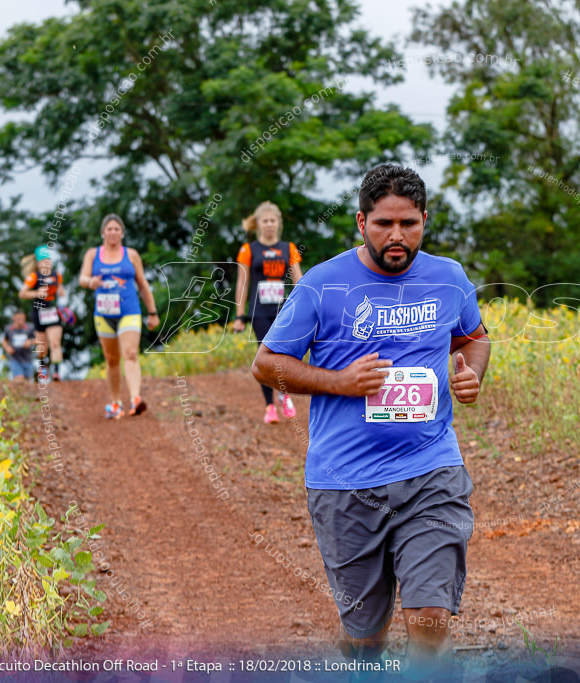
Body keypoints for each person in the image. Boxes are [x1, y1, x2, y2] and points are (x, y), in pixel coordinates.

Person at [251, 164, 491, 676]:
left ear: (425, 220)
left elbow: (475, 336)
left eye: (409, 223)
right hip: (344, 484)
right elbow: (267, 363)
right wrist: (340, 382)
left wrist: (471, 374)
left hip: (432, 471)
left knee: (429, 619)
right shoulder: (322, 284)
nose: (397, 235)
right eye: (384, 223)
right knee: (365, 640)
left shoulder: (449, 278)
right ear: (362, 222)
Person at [78, 214, 160, 418]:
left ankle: (135, 399)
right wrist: (91, 283)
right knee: (112, 359)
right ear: (103, 233)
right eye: (109, 229)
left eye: (117, 229)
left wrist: (153, 312)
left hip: (129, 311)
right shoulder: (92, 254)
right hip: (104, 313)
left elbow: (142, 284)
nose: (113, 232)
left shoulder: (131, 255)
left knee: (130, 353)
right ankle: (116, 403)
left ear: (122, 233)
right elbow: (82, 278)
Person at [233, 201, 304, 424]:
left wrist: (306, 309)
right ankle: (269, 406)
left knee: (286, 353)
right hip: (258, 309)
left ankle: (283, 393)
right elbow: (242, 284)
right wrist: (238, 316)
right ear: (258, 224)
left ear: (278, 224)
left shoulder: (289, 248)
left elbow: (298, 281)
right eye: (265, 221)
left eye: (273, 220)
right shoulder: (248, 250)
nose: (269, 224)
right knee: (264, 356)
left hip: (283, 310)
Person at [19, 245, 65, 381]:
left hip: (52, 311)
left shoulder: (57, 275)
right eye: (43, 261)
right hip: (38, 312)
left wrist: (61, 293)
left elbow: (61, 290)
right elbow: (22, 293)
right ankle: (43, 370)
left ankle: (56, 372)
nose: (46, 263)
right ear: (38, 264)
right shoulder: (34, 277)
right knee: (42, 347)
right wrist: (37, 293)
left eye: (48, 260)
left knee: (55, 342)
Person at [2, 309, 36, 382]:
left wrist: (30, 342)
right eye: (18, 319)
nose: (20, 320)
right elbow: (4, 341)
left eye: (22, 319)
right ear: (13, 318)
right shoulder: (9, 329)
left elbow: (38, 340)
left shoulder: (30, 328)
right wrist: (7, 348)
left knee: (28, 383)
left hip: (27, 359)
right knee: (19, 381)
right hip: (15, 359)